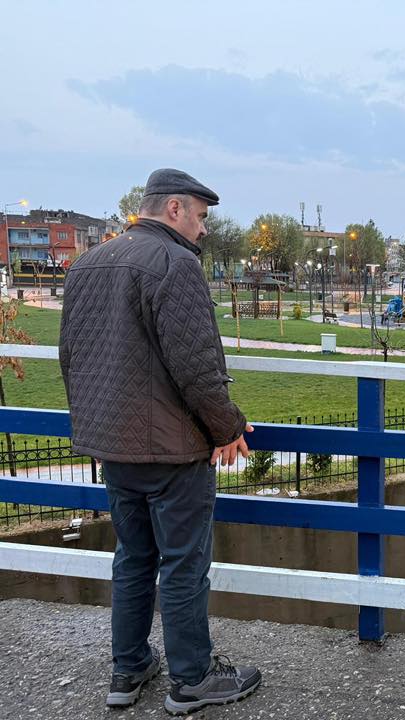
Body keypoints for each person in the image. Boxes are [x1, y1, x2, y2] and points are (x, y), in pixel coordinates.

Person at [59, 169, 261, 715]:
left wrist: (94, 431)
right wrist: (229, 428)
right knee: (182, 565)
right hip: (172, 452)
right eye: (200, 216)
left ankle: (127, 669)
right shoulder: (176, 264)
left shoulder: (89, 262)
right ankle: (192, 679)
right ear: (174, 208)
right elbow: (198, 370)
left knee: (132, 559)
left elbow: (71, 362)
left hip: (114, 448)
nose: (202, 229)